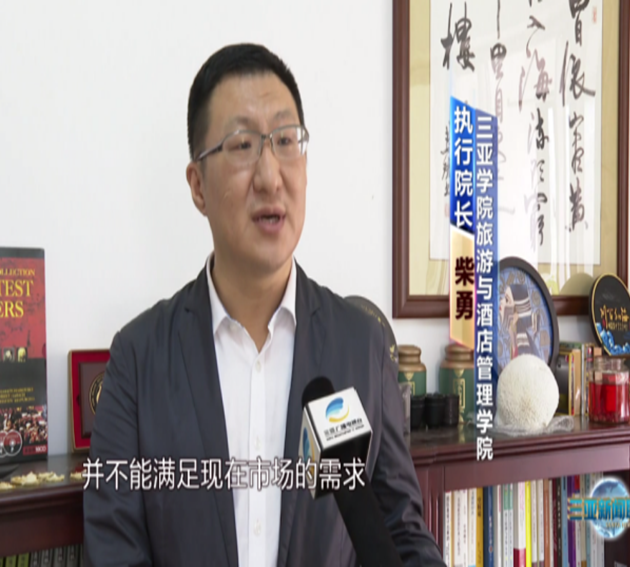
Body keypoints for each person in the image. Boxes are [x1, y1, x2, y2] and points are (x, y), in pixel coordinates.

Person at [82, 43, 445, 567]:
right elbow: (114, 548)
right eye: (243, 144)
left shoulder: (360, 346)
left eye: (286, 140)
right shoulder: (138, 359)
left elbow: (399, 534)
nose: (271, 175)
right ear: (198, 186)